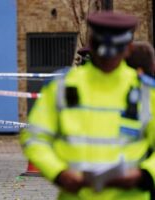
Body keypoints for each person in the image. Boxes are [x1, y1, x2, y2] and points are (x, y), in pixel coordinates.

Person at [20, 11, 155, 200]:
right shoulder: (62, 87)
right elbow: (35, 137)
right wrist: (59, 173)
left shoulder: (146, 91)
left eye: (113, 54)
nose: (108, 61)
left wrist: (144, 175)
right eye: (103, 55)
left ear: (128, 49)